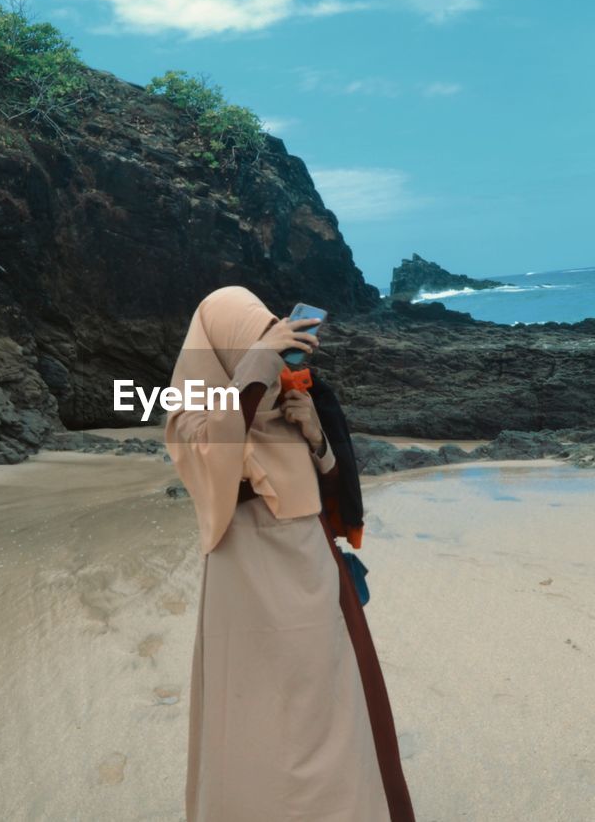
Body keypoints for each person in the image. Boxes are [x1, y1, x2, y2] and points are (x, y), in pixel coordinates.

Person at [166, 285, 414, 821]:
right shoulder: (190, 413)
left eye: (266, 334)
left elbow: (334, 493)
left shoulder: (286, 401)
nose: (269, 348)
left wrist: (317, 439)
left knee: (330, 711)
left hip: (315, 578)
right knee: (259, 721)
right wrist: (255, 367)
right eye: (251, 338)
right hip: (250, 584)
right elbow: (214, 463)